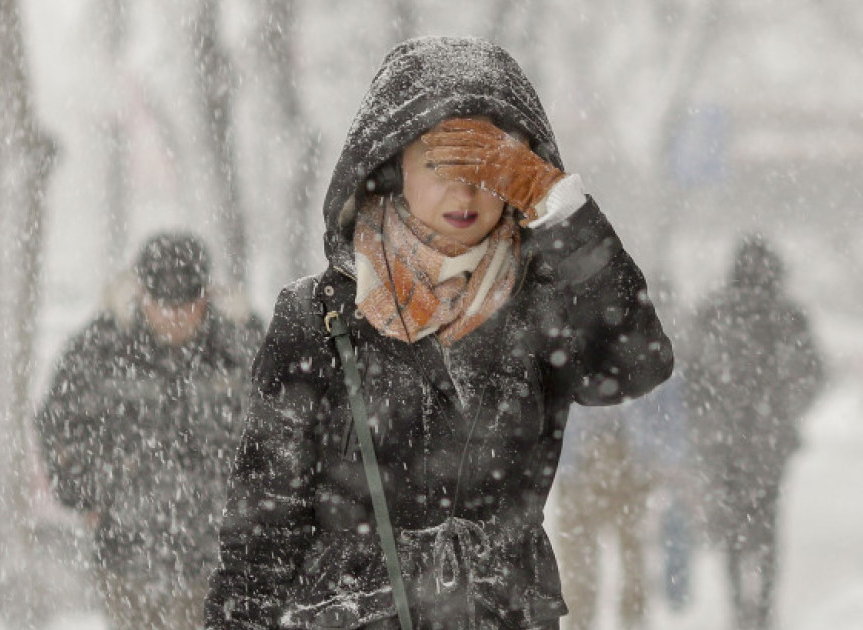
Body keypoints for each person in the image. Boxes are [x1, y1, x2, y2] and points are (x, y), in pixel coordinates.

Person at [204, 36, 673, 630]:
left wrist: (557, 204)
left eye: (489, 167)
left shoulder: (538, 303)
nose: (465, 190)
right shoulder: (317, 314)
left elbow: (638, 363)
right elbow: (263, 526)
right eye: (440, 163)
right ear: (392, 168)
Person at [36, 232, 263, 630]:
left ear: (205, 297)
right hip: (128, 556)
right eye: (162, 304)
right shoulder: (101, 348)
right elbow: (60, 424)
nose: (173, 316)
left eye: (185, 305)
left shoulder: (244, 348)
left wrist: (259, 507)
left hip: (222, 560)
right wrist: (86, 494)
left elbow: (286, 428)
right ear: (142, 295)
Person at [684, 235, 825, 630]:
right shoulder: (787, 315)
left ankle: (737, 606)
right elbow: (813, 372)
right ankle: (762, 606)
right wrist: (788, 409)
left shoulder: (714, 311)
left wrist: (706, 416)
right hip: (768, 437)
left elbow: (691, 375)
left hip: (725, 436)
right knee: (767, 521)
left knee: (732, 522)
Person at [555, 372, 692, 630]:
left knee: (631, 562)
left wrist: (665, 458)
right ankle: (583, 623)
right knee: (579, 566)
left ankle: (630, 621)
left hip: (627, 460)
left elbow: (668, 398)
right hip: (582, 461)